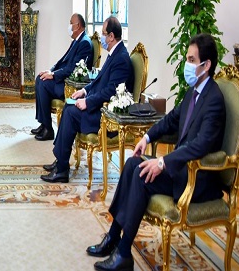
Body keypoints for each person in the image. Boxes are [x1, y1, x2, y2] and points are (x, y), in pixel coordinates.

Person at [87, 33, 225, 271]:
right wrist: (147, 137)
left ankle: (123, 253)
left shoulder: (214, 99)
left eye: (192, 60)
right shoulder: (193, 92)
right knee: (133, 164)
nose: (187, 64)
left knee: (141, 176)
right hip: (180, 168)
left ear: (206, 65)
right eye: (187, 59)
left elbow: (200, 145)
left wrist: (162, 162)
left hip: (197, 178)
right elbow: (171, 119)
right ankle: (113, 237)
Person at [41, 15, 134, 183]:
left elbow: (111, 91)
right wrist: (83, 91)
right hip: (98, 105)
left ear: (111, 36)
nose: (102, 37)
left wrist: (88, 102)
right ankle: (60, 161)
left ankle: (62, 170)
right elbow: (99, 80)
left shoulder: (121, 58)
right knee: (69, 107)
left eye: (104, 33)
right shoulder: (114, 53)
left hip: (106, 115)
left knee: (70, 113)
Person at [32, 13, 93, 141]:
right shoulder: (76, 41)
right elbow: (62, 61)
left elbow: (72, 69)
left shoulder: (85, 43)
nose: (69, 26)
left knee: (43, 83)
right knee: (40, 78)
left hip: (70, 85)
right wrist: (50, 70)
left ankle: (48, 129)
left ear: (78, 26)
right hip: (63, 79)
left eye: (71, 23)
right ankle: (43, 123)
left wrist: (53, 75)